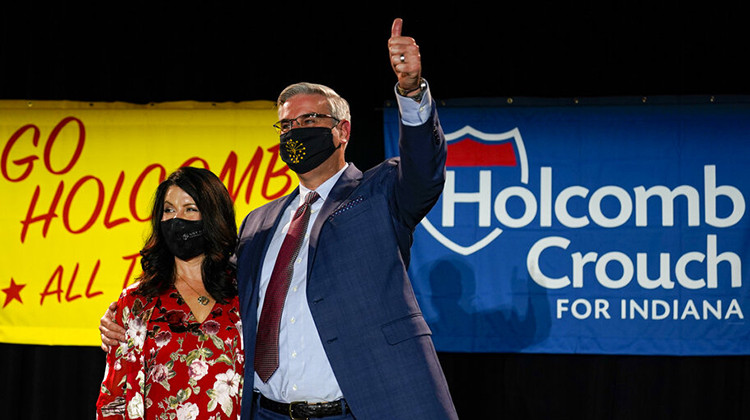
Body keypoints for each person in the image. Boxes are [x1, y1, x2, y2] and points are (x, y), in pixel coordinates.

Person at [102, 18, 458, 419]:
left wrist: (411, 91)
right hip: (267, 412)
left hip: (359, 408)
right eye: (286, 125)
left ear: (342, 131)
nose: (295, 133)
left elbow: (424, 170)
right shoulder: (260, 223)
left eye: (308, 121)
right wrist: (129, 309)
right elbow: (209, 285)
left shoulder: (379, 192)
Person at [96, 167, 244, 419]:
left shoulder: (247, 293)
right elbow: (114, 398)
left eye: (190, 209)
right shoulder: (137, 301)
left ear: (213, 216)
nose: (177, 219)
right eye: (168, 210)